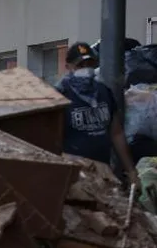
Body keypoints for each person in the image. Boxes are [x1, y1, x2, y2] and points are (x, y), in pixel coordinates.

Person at [56, 42, 139, 188]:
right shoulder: (61, 95)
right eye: (81, 65)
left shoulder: (103, 92)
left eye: (90, 64)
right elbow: (54, 140)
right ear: (68, 67)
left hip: (104, 173)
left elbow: (117, 133)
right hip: (75, 175)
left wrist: (131, 171)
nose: (86, 69)